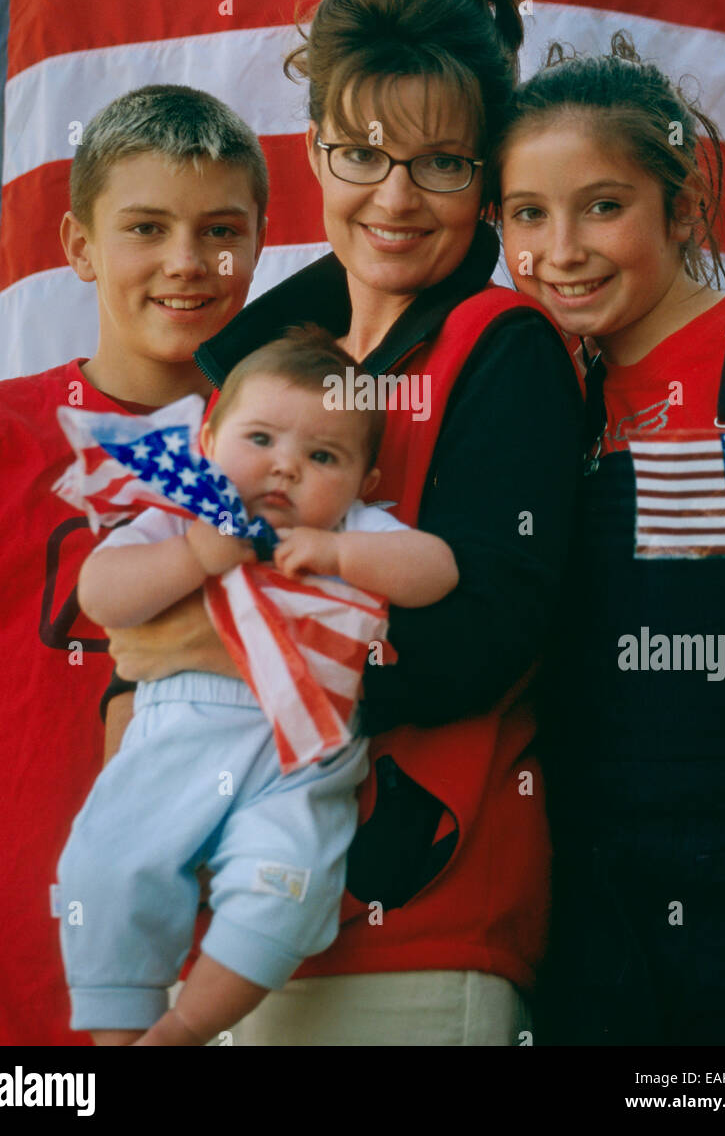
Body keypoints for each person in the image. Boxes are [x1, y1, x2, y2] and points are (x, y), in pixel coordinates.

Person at [99, 0, 584, 1046]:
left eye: (440, 163)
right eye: (359, 154)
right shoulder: (251, 362)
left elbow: (484, 632)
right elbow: (144, 600)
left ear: (486, 171)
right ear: (311, 151)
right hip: (217, 921)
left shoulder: (497, 346)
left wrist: (227, 662)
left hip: (411, 924)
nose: (395, 198)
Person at [496, 32, 725, 1046]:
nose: (564, 248)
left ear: (678, 207)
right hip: (592, 908)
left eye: (602, 205)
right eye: (526, 215)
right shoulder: (540, 402)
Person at [0, 84, 267, 1045]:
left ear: (256, 244)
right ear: (80, 245)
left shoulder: (299, 449)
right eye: (144, 228)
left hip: (225, 960)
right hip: (1, 957)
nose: (184, 261)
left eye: (219, 229)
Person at [57, 326, 459, 1046]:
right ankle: (117, 1033)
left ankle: (185, 1026)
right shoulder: (180, 516)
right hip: (180, 734)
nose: (287, 469)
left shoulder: (354, 530)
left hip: (302, 757)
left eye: (323, 456)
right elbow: (101, 593)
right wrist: (193, 556)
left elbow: (437, 571)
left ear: (365, 484)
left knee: (288, 887)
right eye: (262, 439)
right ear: (207, 442)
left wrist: (340, 550)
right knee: (106, 869)